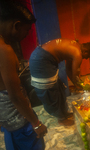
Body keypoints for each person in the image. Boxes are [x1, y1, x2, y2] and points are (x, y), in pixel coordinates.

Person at [0, 1, 47, 150]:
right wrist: (36, 123)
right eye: (27, 30)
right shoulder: (4, 50)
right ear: (16, 25)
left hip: (7, 120)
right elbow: (15, 96)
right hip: (19, 120)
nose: (27, 34)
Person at [29, 39, 90, 125]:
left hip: (40, 56)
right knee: (51, 90)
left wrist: (76, 84)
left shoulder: (75, 46)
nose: (85, 59)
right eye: (86, 57)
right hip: (42, 60)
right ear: (86, 51)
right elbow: (75, 74)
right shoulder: (78, 54)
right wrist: (82, 86)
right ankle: (61, 119)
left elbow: (68, 69)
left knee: (59, 86)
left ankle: (63, 114)